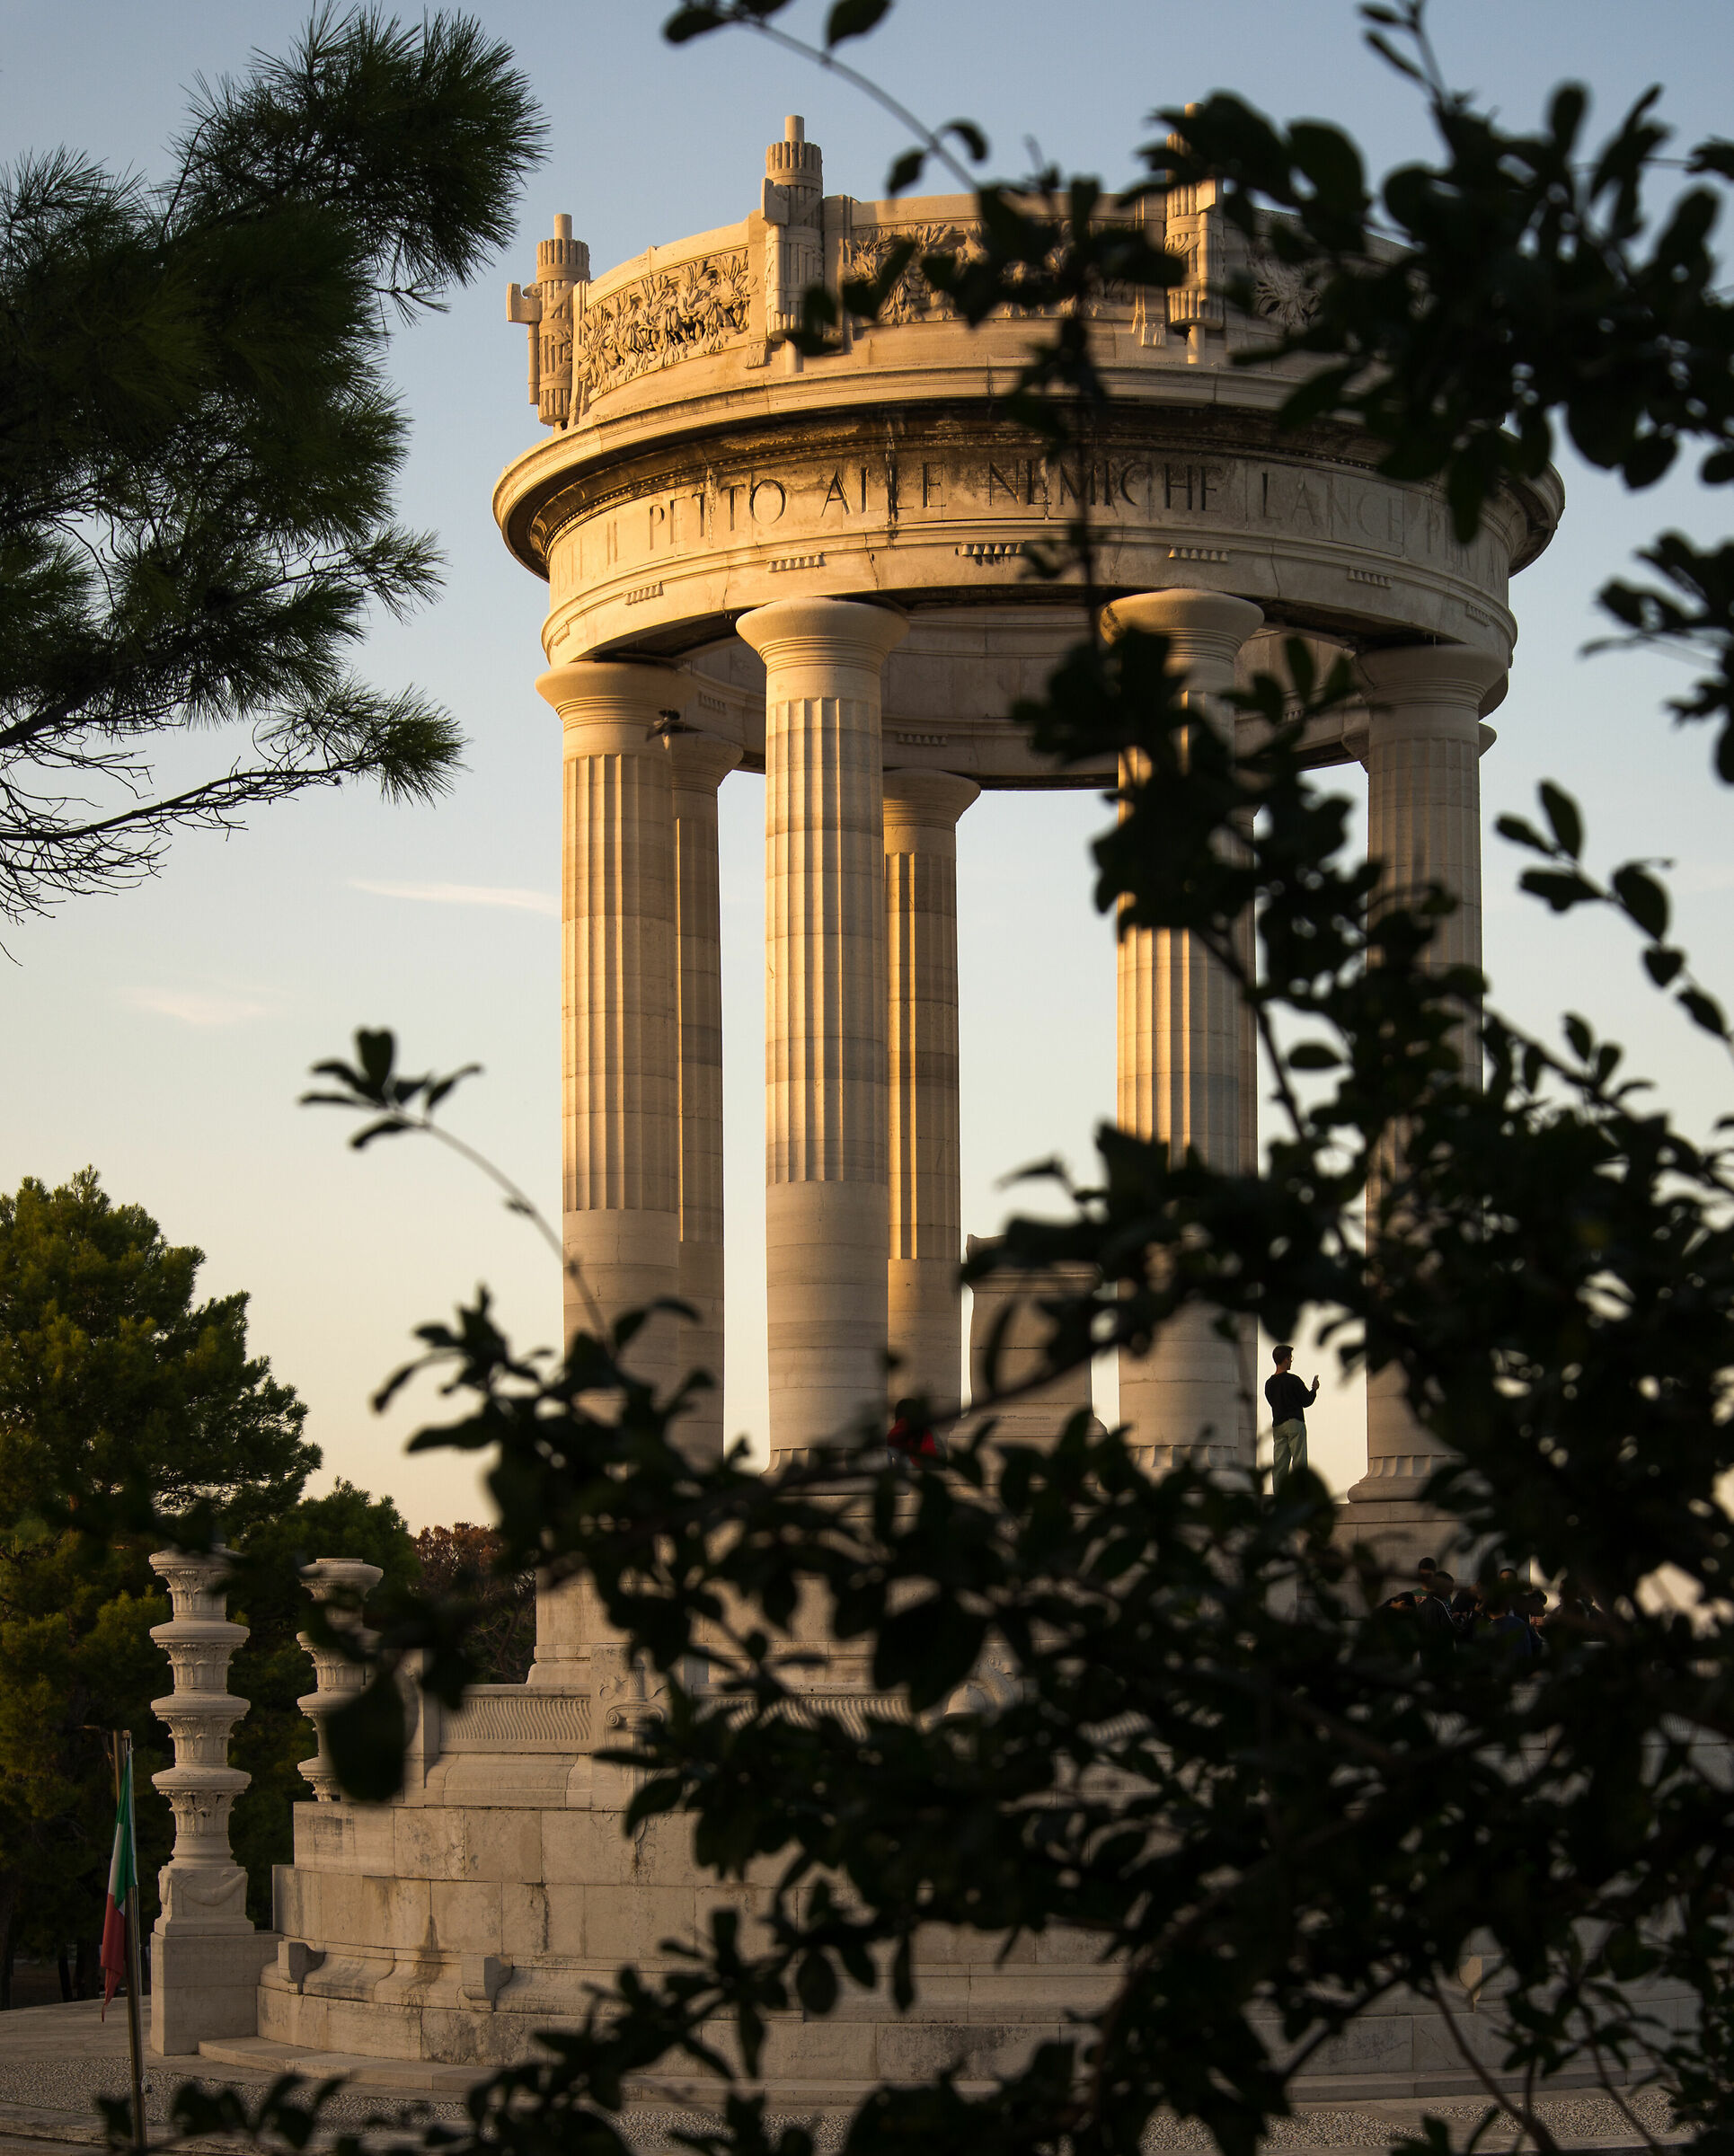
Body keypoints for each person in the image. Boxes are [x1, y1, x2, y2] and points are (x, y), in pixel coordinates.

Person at [1264, 1345, 1319, 1494]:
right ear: (1285, 1359)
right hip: (1295, 1423)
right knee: (1299, 1460)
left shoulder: (1269, 1384)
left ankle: (1279, 1495)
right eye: (1290, 1358)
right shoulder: (1293, 1380)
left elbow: (1272, 1401)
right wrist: (1314, 1390)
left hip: (1278, 1426)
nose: (1291, 1362)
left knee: (1280, 1464)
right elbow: (1306, 1401)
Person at [888, 1398, 940, 1463]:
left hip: (915, 1461)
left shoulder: (905, 1422)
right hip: (928, 1462)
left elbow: (890, 1439)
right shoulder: (924, 1425)